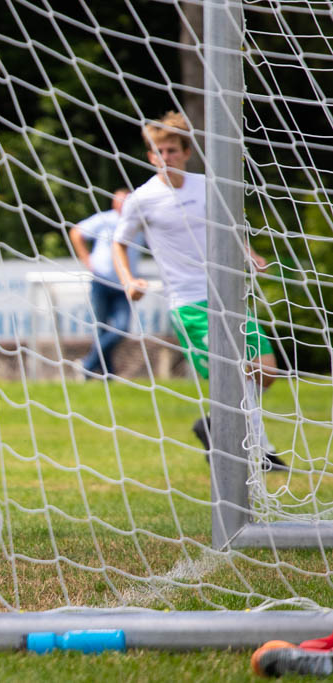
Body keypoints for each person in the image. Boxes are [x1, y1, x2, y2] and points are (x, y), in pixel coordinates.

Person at [112, 110, 287, 471]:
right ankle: (261, 452)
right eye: (159, 152)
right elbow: (119, 243)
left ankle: (214, 426)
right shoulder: (142, 199)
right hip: (188, 303)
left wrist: (249, 254)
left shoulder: (206, 185)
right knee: (236, 373)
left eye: (172, 150)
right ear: (150, 156)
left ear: (186, 152)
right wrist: (129, 280)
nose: (166, 157)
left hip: (228, 294)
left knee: (266, 371)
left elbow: (229, 227)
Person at [69, 188, 138, 378]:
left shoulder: (138, 222)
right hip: (101, 281)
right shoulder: (105, 219)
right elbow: (76, 232)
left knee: (121, 328)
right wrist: (86, 259)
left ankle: (87, 365)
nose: (122, 204)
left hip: (124, 284)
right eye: (119, 200)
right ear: (114, 202)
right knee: (101, 329)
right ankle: (108, 375)